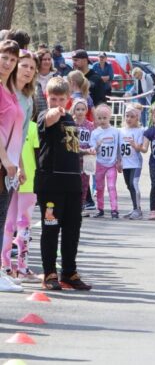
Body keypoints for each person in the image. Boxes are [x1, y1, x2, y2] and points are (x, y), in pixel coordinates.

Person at [35, 77, 91, 291]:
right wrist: (54, 111)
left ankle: (69, 271)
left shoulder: (70, 120)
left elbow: (69, 146)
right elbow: (47, 120)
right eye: (53, 99)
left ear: (69, 99)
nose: (58, 103)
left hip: (72, 183)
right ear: (47, 98)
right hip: (51, 184)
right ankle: (49, 272)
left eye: (61, 99)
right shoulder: (46, 115)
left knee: (72, 229)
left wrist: (86, 152)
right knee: (51, 229)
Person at [1, 119, 38, 283]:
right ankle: (17, 268)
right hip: (22, 180)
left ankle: (9, 266)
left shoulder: (23, 126)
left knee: (12, 225)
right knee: (18, 225)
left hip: (20, 179)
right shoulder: (28, 127)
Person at [89, 104, 121, 219]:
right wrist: (97, 145)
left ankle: (114, 209)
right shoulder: (95, 133)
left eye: (104, 118)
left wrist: (119, 161)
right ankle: (100, 208)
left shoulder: (115, 132)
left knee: (111, 186)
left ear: (109, 117)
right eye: (99, 118)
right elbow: (92, 149)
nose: (102, 120)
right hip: (99, 164)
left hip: (111, 164)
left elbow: (118, 147)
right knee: (99, 187)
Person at [119, 104, 146, 220]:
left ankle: (138, 210)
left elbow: (140, 147)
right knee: (129, 185)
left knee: (133, 184)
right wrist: (118, 161)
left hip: (135, 163)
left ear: (137, 118)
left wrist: (135, 145)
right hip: (125, 163)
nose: (129, 119)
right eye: (127, 116)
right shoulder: (121, 131)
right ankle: (135, 207)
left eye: (132, 116)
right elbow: (118, 147)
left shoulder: (140, 131)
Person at [71, 99, 94, 213]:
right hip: (73, 158)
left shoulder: (91, 125)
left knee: (85, 183)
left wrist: (93, 149)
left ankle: (82, 205)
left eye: (83, 109)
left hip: (88, 158)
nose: (80, 112)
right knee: (73, 182)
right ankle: (73, 205)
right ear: (73, 110)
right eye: (78, 109)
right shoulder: (70, 124)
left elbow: (94, 141)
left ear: (86, 110)